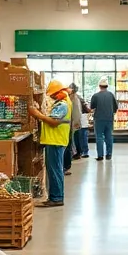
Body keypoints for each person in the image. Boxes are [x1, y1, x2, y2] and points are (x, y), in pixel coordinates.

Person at [30, 79, 72, 207]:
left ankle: (56, 198)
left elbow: (54, 122)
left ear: (60, 92)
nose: (52, 97)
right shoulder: (63, 103)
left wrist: (37, 114)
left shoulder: (63, 105)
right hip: (56, 140)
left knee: (54, 170)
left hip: (55, 140)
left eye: (53, 94)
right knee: (55, 169)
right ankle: (55, 196)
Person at [90, 78, 118, 160]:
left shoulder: (95, 96)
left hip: (99, 119)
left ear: (99, 86)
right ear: (107, 86)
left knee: (99, 137)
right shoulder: (111, 95)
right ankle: (109, 154)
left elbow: (92, 107)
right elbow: (116, 107)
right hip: (109, 118)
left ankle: (100, 155)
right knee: (109, 136)